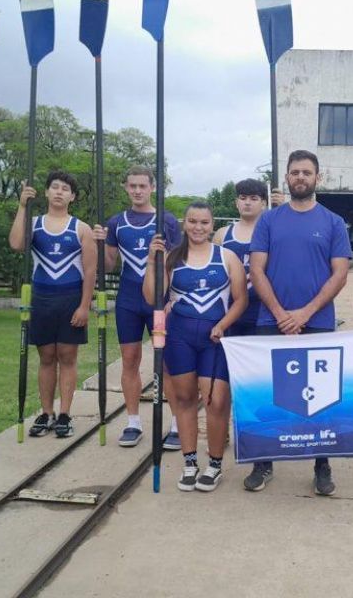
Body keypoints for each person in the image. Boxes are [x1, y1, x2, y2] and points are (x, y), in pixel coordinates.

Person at [244, 149, 352, 496]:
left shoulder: (333, 222)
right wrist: (279, 313)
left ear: (318, 178)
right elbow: (256, 270)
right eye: (294, 172)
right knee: (270, 393)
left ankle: (322, 464)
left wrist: (305, 313)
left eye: (307, 172)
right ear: (287, 178)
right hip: (269, 319)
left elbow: (340, 274)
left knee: (320, 399)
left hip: (317, 321)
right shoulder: (269, 221)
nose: (300, 177)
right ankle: (264, 462)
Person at [144, 202, 247, 492]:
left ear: (211, 225)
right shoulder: (171, 258)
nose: (198, 227)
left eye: (204, 222)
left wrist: (224, 324)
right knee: (185, 398)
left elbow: (240, 300)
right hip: (180, 337)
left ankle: (214, 464)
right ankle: (190, 462)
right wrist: (152, 262)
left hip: (215, 338)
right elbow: (153, 296)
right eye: (192, 221)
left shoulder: (227, 257)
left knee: (216, 401)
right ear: (184, 224)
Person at [92, 166, 181, 449]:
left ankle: (177, 424)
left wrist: (173, 300)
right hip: (129, 300)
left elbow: (178, 264)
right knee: (130, 360)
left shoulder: (165, 220)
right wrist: (98, 243)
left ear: (152, 187)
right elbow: (106, 266)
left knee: (167, 364)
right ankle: (133, 423)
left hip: (160, 300)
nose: (138, 191)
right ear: (125, 187)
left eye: (143, 186)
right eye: (133, 186)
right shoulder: (116, 223)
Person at [9, 171, 96, 438]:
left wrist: (84, 306)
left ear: (73, 196)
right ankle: (46, 413)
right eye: (54, 187)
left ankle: (65, 415)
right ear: (46, 192)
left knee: (67, 357)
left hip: (71, 299)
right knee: (46, 357)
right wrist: (22, 206)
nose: (59, 192)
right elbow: (16, 244)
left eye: (65, 189)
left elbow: (90, 271)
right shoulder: (34, 224)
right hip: (42, 298)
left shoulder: (81, 228)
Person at [212, 178, 267, 336]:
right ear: (237, 202)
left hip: (261, 310)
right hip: (229, 310)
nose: (247, 203)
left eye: (253, 198)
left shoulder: (270, 234)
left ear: (263, 203)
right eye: (243, 198)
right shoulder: (222, 234)